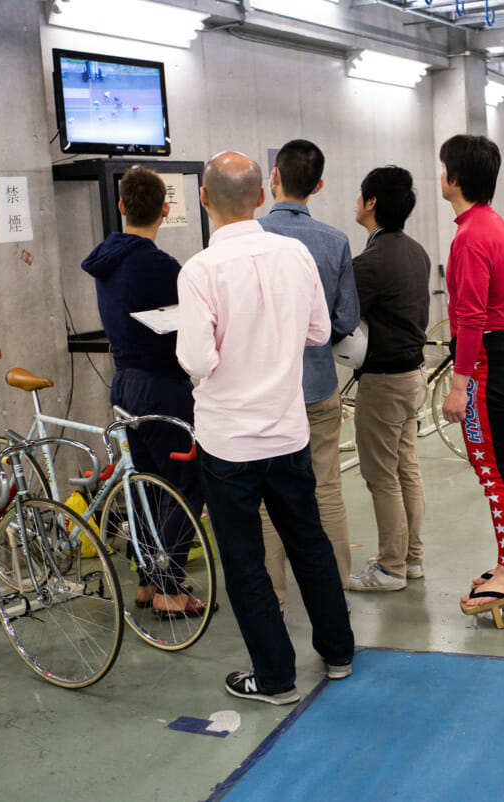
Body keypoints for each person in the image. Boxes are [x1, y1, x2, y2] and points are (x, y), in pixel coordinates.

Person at [175, 151, 354, 704]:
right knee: (309, 541)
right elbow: (320, 330)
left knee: (246, 560)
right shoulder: (295, 253)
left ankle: (275, 678)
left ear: (204, 200)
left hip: (228, 442)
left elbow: (196, 360)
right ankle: (339, 652)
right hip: (287, 430)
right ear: (260, 197)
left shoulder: (200, 270)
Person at [81, 165, 208, 618]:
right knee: (185, 485)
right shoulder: (161, 265)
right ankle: (170, 589)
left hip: (125, 385)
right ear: (166, 210)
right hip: (163, 388)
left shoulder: (105, 261)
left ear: (120, 207)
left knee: (144, 486)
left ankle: (146, 579)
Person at [258, 139, 359, 602]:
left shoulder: (250, 238)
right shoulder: (335, 241)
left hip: (264, 395)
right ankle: (335, 589)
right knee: (327, 489)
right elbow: (343, 320)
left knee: (266, 500)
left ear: (273, 176)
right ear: (317, 185)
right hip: (318, 386)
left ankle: (273, 597)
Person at [437, 134, 504, 617]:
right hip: (497, 355)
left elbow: (471, 316)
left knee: (491, 471)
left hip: (486, 363)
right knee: (501, 464)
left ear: (454, 179)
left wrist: (459, 385)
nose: (441, 176)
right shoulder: (492, 225)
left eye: (443, 169)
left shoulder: (472, 234)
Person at [345, 166, 431, 592]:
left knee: (382, 477)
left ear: (372, 202)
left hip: (383, 381)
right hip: (414, 376)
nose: (357, 201)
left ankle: (391, 568)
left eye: (361, 194)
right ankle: (411, 559)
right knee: (406, 469)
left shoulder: (370, 262)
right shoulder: (416, 251)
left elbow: (341, 317)